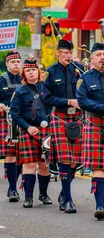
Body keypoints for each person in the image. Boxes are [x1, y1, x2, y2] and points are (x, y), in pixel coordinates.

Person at [76, 43, 104, 220]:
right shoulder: (85, 78)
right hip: (94, 123)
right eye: (98, 55)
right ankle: (99, 205)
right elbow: (82, 101)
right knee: (99, 167)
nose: (102, 58)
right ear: (91, 59)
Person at [43, 39, 84, 213]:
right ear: (58, 53)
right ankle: (68, 200)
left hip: (77, 118)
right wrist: (68, 101)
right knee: (65, 159)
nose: (68, 55)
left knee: (75, 161)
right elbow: (46, 97)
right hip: (60, 117)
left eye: (70, 52)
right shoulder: (50, 73)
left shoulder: (78, 70)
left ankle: (63, 192)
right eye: (65, 52)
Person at [10, 59, 52, 208]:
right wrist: (27, 127)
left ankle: (43, 194)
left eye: (33, 69)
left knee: (44, 165)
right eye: (27, 70)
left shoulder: (46, 88)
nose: (31, 72)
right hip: (28, 131)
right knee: (29, 164)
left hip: (46, 131)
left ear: (38, 72)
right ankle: (28, 197)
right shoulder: (20, 91)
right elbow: (15, 114)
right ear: (24, 74)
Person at [0, 50, 22, 202]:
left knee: (22, 156)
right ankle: (13, 188)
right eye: (13, 62)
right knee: (10, 155)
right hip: (6, 120)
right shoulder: (1, 80)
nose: (16, 64)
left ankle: (13, 184)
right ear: (7, 63)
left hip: (24, 120)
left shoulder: (25, 79)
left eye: (18, 61)